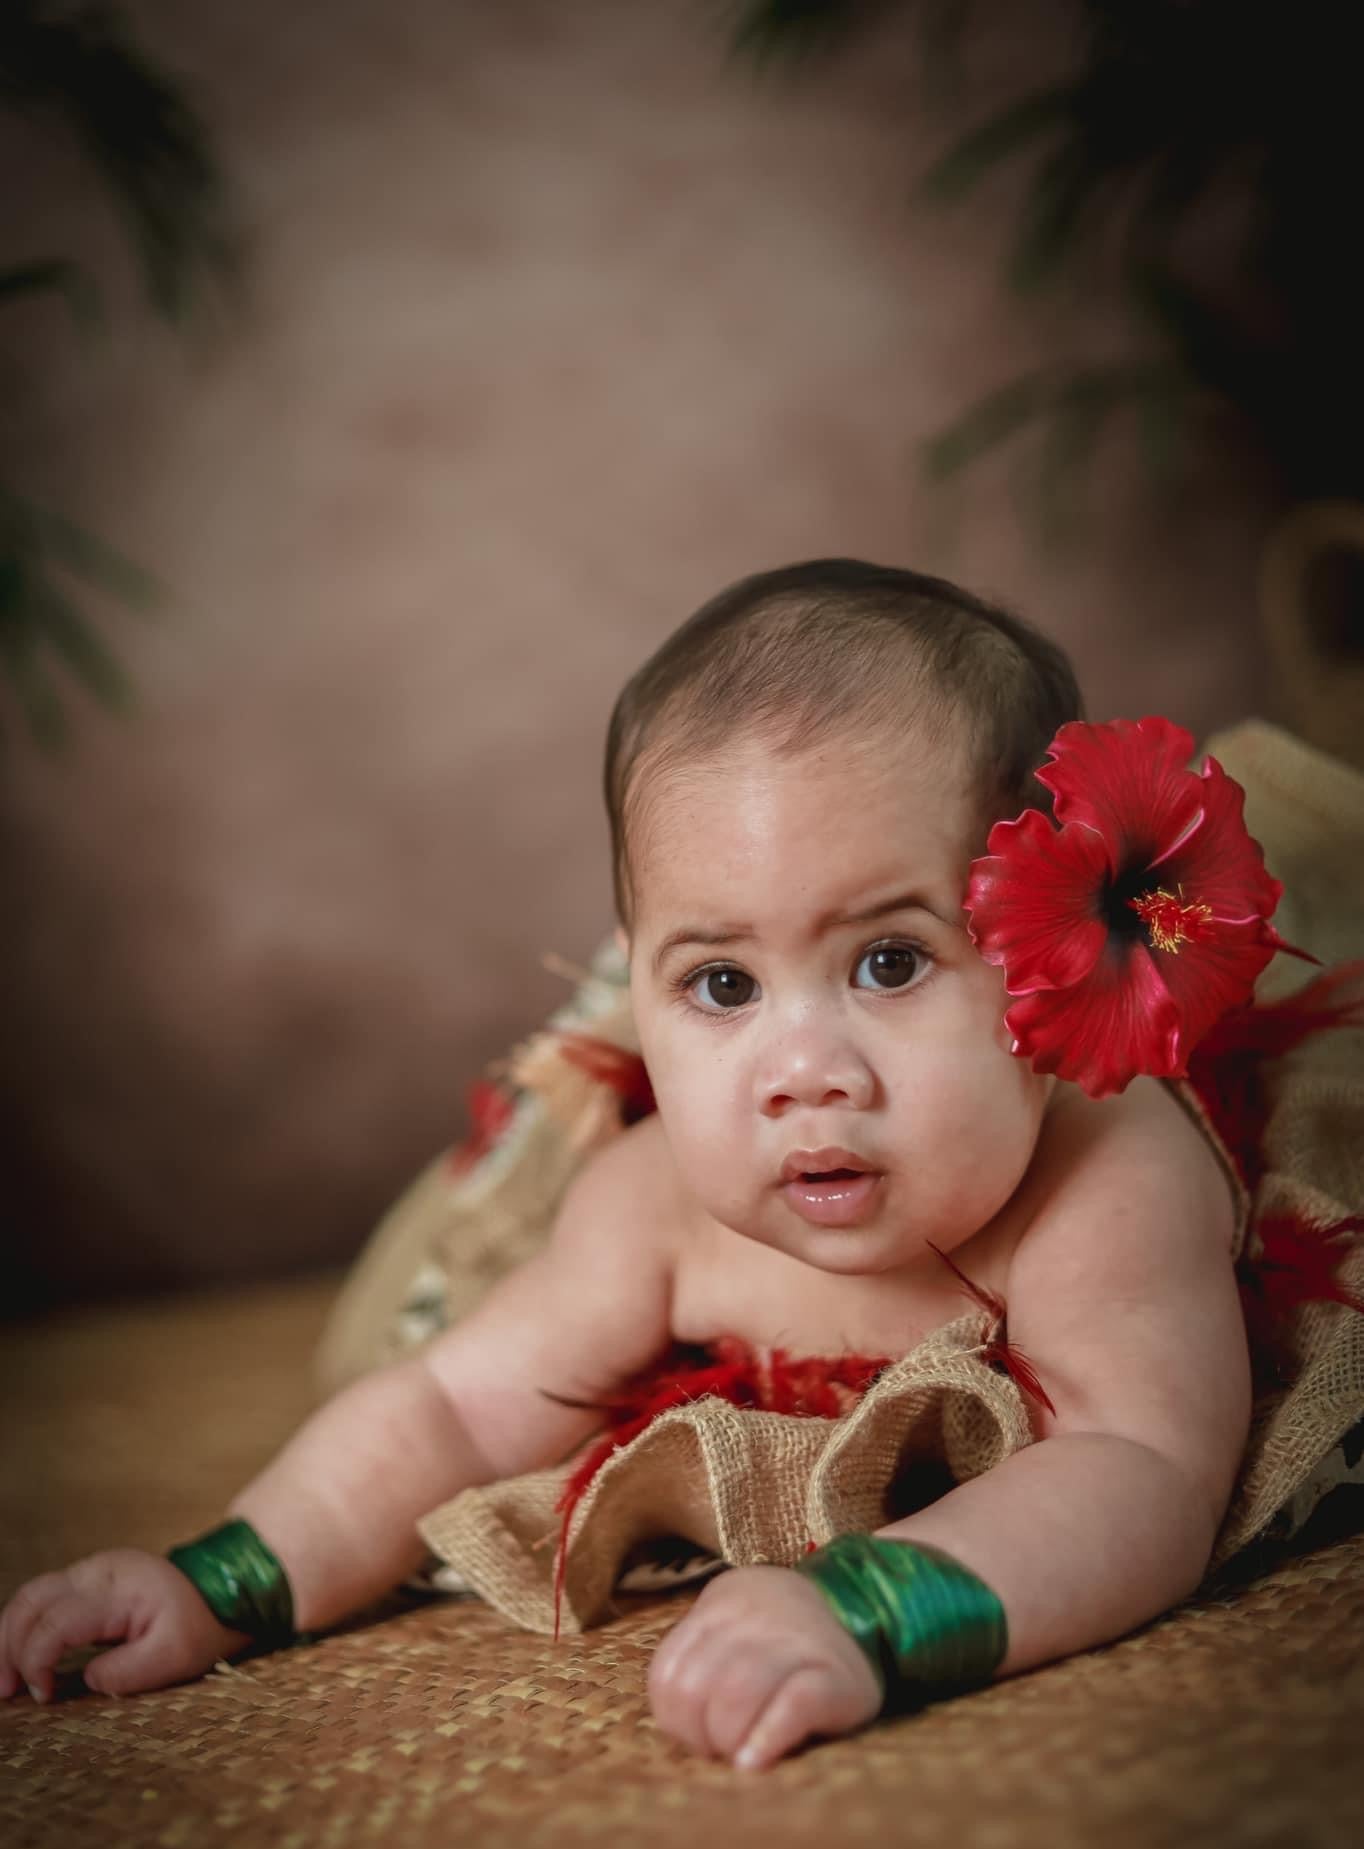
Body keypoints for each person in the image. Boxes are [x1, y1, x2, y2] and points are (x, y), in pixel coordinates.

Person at [0, 560, 1273, 1770]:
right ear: (636, 978)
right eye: (720, 983)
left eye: (888, 960)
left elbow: (1140, 1466)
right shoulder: (655, 1202)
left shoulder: (1104, 1169)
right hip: (520, 1224)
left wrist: (869, 1611)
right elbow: (447, 1407)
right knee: (413, 1309)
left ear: (1045, 947)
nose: (802, 1069)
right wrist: (218, 1582)